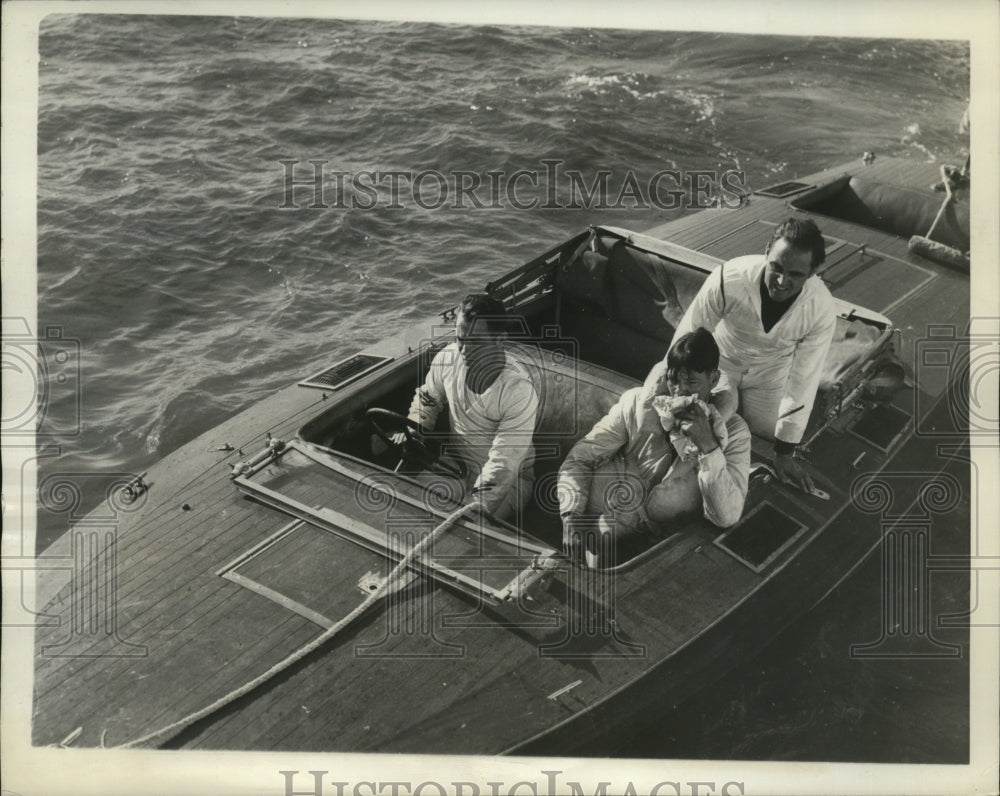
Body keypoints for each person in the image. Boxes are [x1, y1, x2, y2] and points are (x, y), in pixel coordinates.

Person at [558, 328, 750, 566]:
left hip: (666, 543)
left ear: (713, 379)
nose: (680, 391)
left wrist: (708, 447)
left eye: (691, 381)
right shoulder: (638, 404)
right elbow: (579, 459)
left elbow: (727, 516)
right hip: (606, 517)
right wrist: (571, 518)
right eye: (673, 379)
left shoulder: (735, 433)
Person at [671, 217, 836, 492]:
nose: (782, 282)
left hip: (771, 373)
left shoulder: (821, 309)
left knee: (776, 433)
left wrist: (784, 453)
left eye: (795, 275)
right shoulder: (730, 278)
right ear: (766, 250)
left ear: (814, 271)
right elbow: (688, 335)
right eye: (777, 267)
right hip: (721, 362)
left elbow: (803, 380)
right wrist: (676, 390)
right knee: (723, 409)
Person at [399, 293, 538, 520]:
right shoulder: (448, 358)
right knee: (408, 504)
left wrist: (470, 508)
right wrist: (415, 430)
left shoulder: (518, 391)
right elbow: (428, 399)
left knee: (459, 529)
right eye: (460, 340)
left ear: (500, 340)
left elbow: (503, 464)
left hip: (510, 484)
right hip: (456, 466)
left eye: (475, 342)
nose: (463, 352)